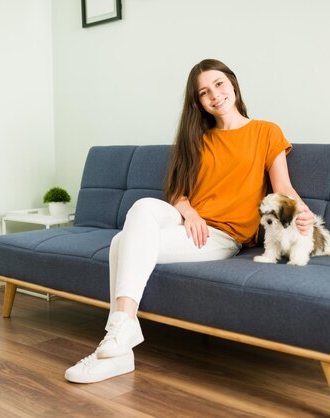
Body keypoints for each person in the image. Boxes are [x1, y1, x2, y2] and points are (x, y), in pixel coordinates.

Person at [64, 58, 314, 383]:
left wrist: (302, 214)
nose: (214, 95)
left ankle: (116, 346)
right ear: (198, 101)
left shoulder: (266, 131)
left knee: (120, 242)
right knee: (141, 207)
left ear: (233, 84)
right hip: (187, 223)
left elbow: (283, 188)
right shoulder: (198, 139)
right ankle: (120, 338)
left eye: (219, 84)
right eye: (204, 92)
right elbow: (178, 193)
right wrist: (190, 213)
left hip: (223, 235)